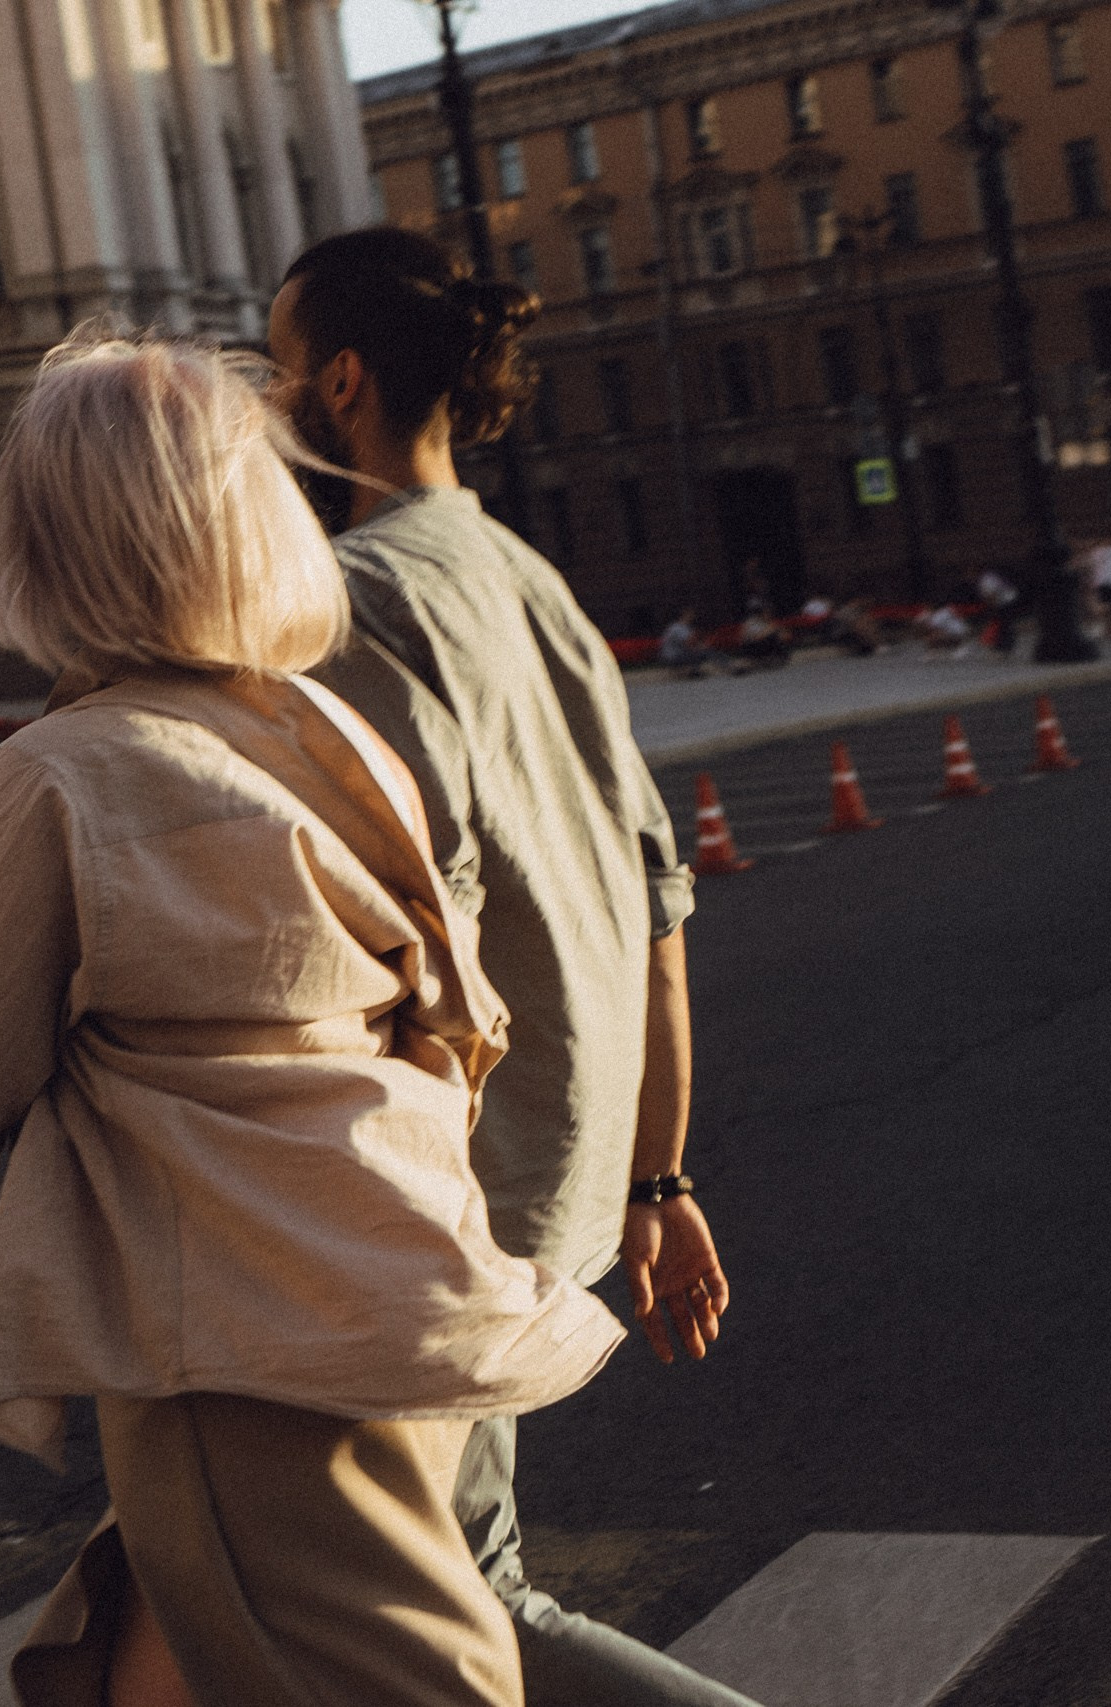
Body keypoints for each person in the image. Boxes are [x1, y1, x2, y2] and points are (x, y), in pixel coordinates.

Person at [0, 332, 624, 1707]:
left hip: (239, 1347)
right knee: (143, 1661)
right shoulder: (325, 739)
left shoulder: (60, 770)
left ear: (39, 544)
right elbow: (453, 1024)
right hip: (383, 1288)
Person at [268, 227, 754, 1707]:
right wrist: (656, 1177)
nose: (257, 401)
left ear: (337, 383)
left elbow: (411, 943)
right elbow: (658, 902)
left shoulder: (351, 602)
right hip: (567, 1161)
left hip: (449, 1189)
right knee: (410, 1595)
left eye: (272, 367)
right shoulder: (531, 580)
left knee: (464, 1600)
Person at [658, 606, 736, 677]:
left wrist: (703, 646)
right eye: (691, 614)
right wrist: (703, 647)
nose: (693, 616)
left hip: (675, 656)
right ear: (685, 614)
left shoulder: (684, 627)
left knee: (704, 652)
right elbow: (689, 644)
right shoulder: (677, 628)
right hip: (672, 658)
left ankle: (693, 671)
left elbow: (691, 644)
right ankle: (729, 668)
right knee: (705, 653)